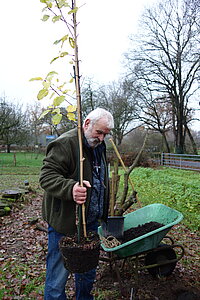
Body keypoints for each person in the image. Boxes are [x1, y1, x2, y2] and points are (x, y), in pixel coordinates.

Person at [40, 107, 114, 300]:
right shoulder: (65, 144)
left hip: (91, 222)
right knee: (58, 276)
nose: (102, 138)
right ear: (87, 124)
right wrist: (71, 188)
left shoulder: (99, 145)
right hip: (65, 223)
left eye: (106, 134)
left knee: (87, 273)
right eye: (99, 132)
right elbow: (46, 177)